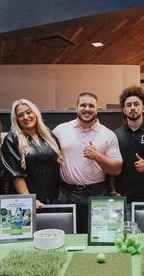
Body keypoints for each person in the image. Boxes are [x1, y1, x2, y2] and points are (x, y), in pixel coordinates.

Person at [52, 92, 122, 233]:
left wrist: (97, 156)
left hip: (96, 193)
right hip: (66, 193)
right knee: (68, 236)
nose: (87, 109)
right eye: (83, 105)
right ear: (76, 108)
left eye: (91, 106)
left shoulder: (108, 134)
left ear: (97, 109)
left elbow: (116, 169)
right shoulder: (60, 130)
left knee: (97, 236)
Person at [1, 99, 61, 207]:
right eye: (20, 115)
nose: (26, 117)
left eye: (29, 112)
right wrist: (29, 199)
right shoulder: (11, 139)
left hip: (53, 199)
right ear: (16, 119)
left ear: (35, 113)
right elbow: (16, 174)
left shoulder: (49, 136)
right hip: (27, 201)